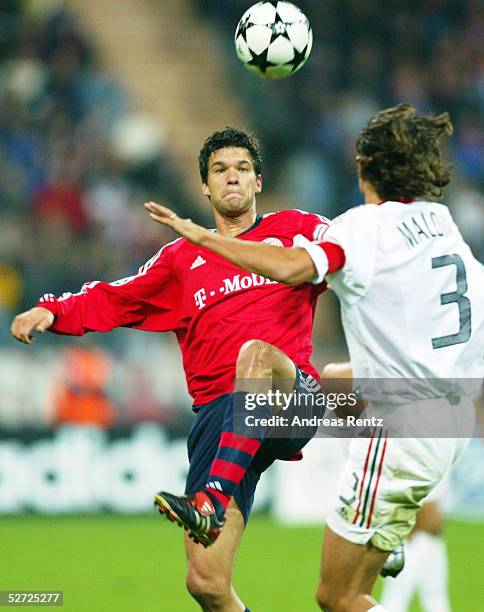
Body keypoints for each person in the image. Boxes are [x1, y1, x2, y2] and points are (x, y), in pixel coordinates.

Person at [144, 104, 484, 611]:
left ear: (364, 167)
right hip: (451, 417)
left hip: (402, 429)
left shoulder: (361, 229)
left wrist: (204, 237)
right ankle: (384, 539)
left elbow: (291, 265)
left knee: (339, 597)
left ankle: (213, 501)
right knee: (336, 380)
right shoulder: (443, 227)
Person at [11, 127, 331, 612]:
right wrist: (54, 311)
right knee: (206, 584)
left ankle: (211, 500)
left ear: (259, 182)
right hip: (220, 421)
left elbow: (356, 249)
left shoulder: (296, 228)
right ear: (204, 186)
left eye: (242, 168)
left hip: (289, 395)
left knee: (256, 355)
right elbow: (115, 297)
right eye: (220, 170)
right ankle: (217, 499)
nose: (232, 178)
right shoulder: (180, 259)